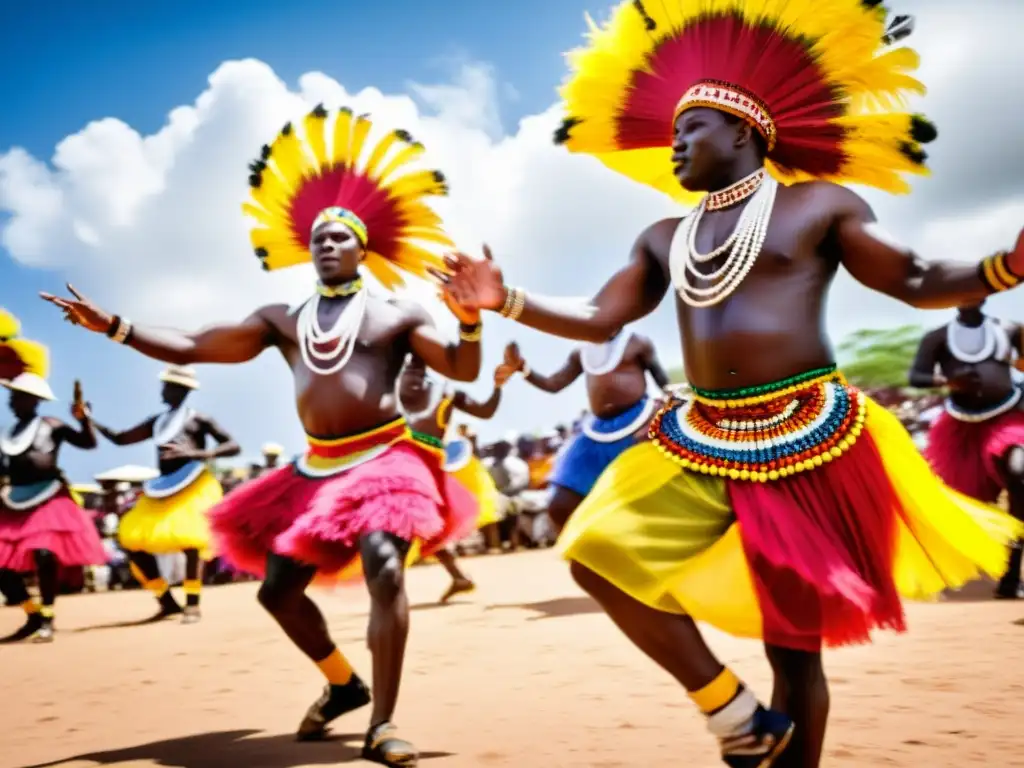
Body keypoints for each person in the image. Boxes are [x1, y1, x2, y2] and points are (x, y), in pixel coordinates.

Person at [438, 3, 1023, 766]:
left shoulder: (819, 204)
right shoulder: (663, 236)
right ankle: (730, 708)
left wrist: (1003, 267)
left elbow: (913, 277)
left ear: (744, 131)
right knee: (593, 552)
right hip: (702, 436)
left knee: (795, 655)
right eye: (674, 132)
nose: (675, 145)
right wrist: (504, 301)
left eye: (692, 130)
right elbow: (596, 315)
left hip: (808, 440)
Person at [41, 105, 480, 767]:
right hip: (314, 469)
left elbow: (461, 369)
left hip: (385, 458)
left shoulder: (398, 313)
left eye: (340, 237)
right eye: (319, 239)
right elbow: (194, 345)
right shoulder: (281, 317)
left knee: (386, 570)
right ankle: (342, 684)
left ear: (364, 249)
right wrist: (117, 328)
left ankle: (384, 724)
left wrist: (471, 324)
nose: (327, 245)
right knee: (276, 591)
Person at [92, 365, 240, 623]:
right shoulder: (157, 422)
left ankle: (192, 604)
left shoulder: (198, 419)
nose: (163, 390)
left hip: (194, 485)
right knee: (130, 541)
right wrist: (88, 420)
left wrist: (195, 454)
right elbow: (120, 438)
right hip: (163, 487)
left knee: (193, 542)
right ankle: (166, 600)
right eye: (164, 385)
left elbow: (233, 446)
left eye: (168, 386)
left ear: (181, 390)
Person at [0, 310, 106, 643]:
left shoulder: (53, 427)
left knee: (45, 554)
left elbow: (89, 444)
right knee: (3, 568)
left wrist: (84, 419)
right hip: (15, 499)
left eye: (17, 397)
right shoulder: (6, 434)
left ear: (33, 400)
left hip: (49, 498)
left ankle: (47, 616)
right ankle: (32, 616)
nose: (11, 402)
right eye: (10, 396)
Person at [909, 299, 1024, 598]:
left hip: (1008, 417)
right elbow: (916, 377)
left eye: (975, 289)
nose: (969, 295)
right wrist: (947, 380)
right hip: (960, 427)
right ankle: (969, 572)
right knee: (967, 502)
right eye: (960, 290)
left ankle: (1011, 577)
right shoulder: (937, 336)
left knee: (1020, 474)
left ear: (986, 295)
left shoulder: (1010, 329)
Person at [501, 330, 669, 532]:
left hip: (639, 422)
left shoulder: (637, 343)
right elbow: (554, 384)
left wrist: (669, 413)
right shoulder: (582, 352)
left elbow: (664, 383)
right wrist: (522, 368)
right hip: (597, 430)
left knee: (647, 497)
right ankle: (592, 552)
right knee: (561, 505)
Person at [395, 355, 504, 601]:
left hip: (426, 469)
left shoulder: (445, 392)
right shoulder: (391, 394)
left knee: (409, 526)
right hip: (407, 468)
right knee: (418, 528)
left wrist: (497, 387)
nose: (410, 372)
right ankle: (456, 576)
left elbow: (485, 410)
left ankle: (392, 585)